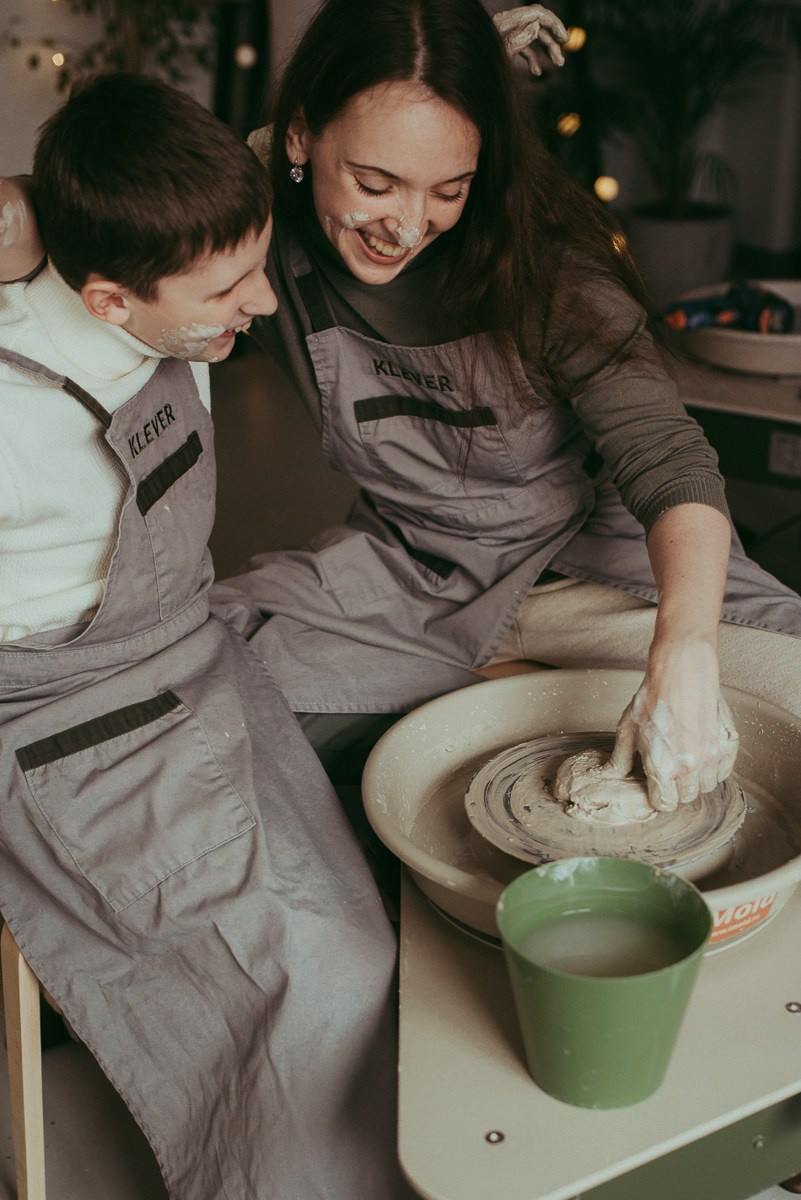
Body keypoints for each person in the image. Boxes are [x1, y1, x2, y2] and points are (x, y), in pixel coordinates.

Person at [209, 0, 801, 814]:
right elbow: (101, 215)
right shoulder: (255, 229)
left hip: (587, 573)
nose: (406, 226)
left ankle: (509, 685)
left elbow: (669, 457)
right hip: (414, 572)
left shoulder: (552, 267)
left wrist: (684, 650)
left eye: (448, 187)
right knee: (203, 694)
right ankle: (504, 686)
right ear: (298, 138)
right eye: (374, 183)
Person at [0, 73, 412, 1200]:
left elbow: (252, 159)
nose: (264, 305)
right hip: (71, 732)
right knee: (312, 982)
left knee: (377, 921)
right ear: (107, 302)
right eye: (229, 287)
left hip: (192, 655)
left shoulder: (155, 243)